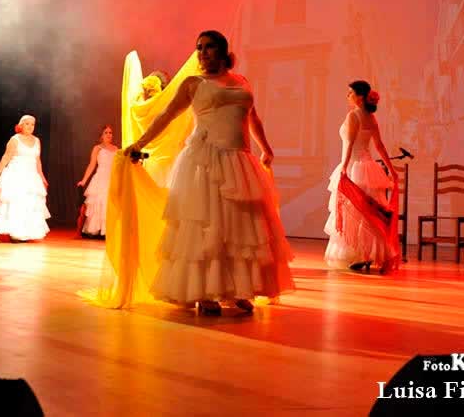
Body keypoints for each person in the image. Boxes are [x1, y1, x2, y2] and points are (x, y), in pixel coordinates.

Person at [124, 30, 295, 315]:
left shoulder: (242, 81)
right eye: (199, 48)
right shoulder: (193, 84)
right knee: (207, 227)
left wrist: (266, 148)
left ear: (223, 51)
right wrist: (139, 143)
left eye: (209, 47)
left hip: (239, 160)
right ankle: (204, 292)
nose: (203, 53)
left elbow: (252, 117)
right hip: (205, 161)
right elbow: (167, 116)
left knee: (240, 229)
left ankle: (237, 290)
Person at [323, 80, 401, 273]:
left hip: (354, 166)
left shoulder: (354, 115)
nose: (347, 96)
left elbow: (349, 144)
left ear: (360, 97)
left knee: (356, 213)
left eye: (350, 93)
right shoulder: (371, 118)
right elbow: (380, 146)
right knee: (368, 215)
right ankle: (365, 255)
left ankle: (359, 254)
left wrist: (344, 168)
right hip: (368, 166)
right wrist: (391, 170)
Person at [0, 115, 50, 242]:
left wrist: (42, 176)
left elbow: (38, 160)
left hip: (31, 176)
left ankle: (28, 233)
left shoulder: (37, 140)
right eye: (27, 124)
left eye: (32, 124)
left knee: (30, 204)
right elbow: (5, 157)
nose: (30, 126)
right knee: (16, 204)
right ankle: (15, 233)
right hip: (16, 175)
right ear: (21, 125)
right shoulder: (15, 139)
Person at [77, 125, 118, 238]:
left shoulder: (116, 149)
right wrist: (84, 180)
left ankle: (109, 230)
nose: (109, 135)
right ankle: (98, 229)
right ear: (101, 135)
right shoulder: (97, 148)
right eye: (106, 132)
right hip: (100, 178)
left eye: (110, 132)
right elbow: (92, 165)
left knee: (110, 203)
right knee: (100, 202)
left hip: (112, 178)